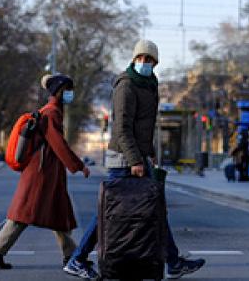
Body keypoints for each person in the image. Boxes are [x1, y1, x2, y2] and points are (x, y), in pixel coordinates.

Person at [65, 40, 205, 280]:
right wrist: (135, 161)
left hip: (139, 157)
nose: (145, 63)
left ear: (155, 62)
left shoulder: (150, 84)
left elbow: (145, 126)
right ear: (134, 59)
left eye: (149, 59)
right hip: (124, 158)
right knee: (109, 212)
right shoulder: (126, 85)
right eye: (140, 58)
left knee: (155, 208)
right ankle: (77, 259)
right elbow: (122, 128)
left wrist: (148, 152)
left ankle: (173, 262)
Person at [0, 74, 90, 270]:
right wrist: (78, 165)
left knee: (56, 213)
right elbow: (58, 144)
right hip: (42, 173)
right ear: (58, 91)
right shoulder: (52, 113)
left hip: (46, 171)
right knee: (25, 213)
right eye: (67, 90)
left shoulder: (51, 110)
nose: (70, 93)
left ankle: (70, 255)